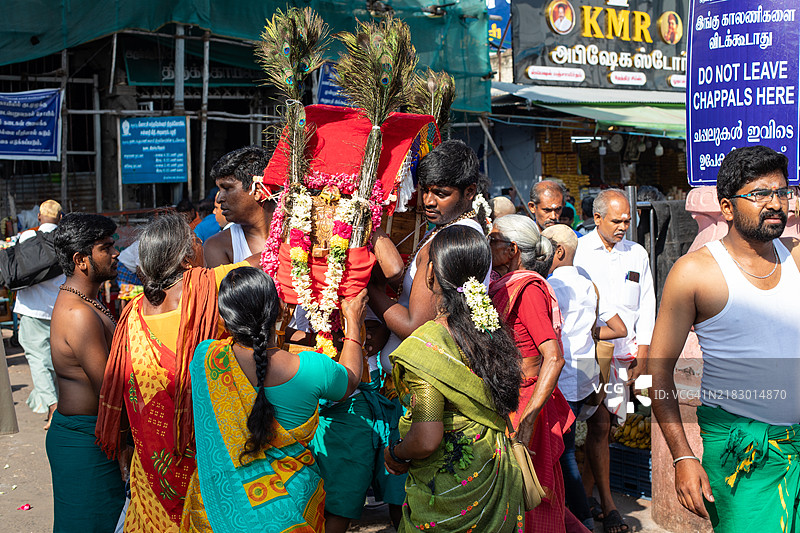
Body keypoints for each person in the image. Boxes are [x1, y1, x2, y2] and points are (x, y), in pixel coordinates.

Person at [651, 146, 800, 532]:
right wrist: (682, 457)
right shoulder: (695, 273)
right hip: (742, 457)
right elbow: (660, 372)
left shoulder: (797, 258)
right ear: (727, 208)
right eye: (759, 195)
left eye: (782, 192)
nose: (775, 204)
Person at [96, 212, 259, 532]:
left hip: (152, 463)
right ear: (186, 259)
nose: (203, 245)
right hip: (210, 454)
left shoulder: (131, 314)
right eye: (196, 241)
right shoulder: (207, 285)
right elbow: (269, 260)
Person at [181, 267, 368, 532]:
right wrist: (353, 324)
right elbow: (350, 380)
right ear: (279, 310)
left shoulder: (205, 360)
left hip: (219, 512)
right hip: (292, 506)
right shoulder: (311, 369)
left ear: (224, 318)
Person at [384, 225, 525, 531]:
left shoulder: (428, 345)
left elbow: (426, 437)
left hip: (447, 495)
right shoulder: (492, 331)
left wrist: (396, 453)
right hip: (494, 480)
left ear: (431, 273)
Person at [487, 214, 576, 533]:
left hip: (527, 406)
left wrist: (527, 421)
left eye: (493, 240)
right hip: (513, 398)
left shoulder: (527, 290)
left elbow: (553, 358)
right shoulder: (504, 284)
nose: (488, 245)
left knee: (532, 495)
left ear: (512, 249)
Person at [573, 189, 655, 533]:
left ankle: (589, 496)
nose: (624, 225)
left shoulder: (636, 253)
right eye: (617, 220)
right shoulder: (579, 253)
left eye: (628, 219)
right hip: (591, 353)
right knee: (599, 425)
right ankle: (605, 503)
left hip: (629, 354)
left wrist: (645, 356)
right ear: (597, 218)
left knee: (608, 428)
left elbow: (647, 304)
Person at [542, 224, 628, 532]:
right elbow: (619, 329)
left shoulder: (550, 287)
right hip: (585, 381)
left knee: (562, 457)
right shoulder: (588, 283)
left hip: (560, 378)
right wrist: (588, 332)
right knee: (565, 453)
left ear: (559, 251)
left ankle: (582, 522)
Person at [47, 213, 126, 532]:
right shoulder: (79, 314)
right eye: (106, 247)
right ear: (81, 260)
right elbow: (111, 389)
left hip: (94, 436)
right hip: (85, 443)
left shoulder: (88, 302)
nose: (115, 253)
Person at [15, 199, 64, 429]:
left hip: (30, 308)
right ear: (61, 218)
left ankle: (53, 406)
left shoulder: (25, 238)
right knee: (55, 359)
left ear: (38, 218)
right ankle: (46, 401)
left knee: (37, 359)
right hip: (58, 309)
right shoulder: (65, 241)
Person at [204, 147, 273, 267]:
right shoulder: (217, 246)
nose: (219, 199)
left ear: (257, 190)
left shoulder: (301, 230)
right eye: (219, 189)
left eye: (227, 188)